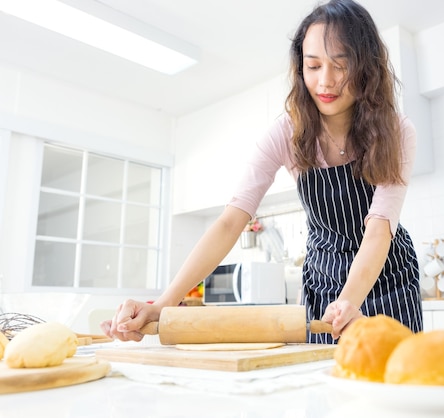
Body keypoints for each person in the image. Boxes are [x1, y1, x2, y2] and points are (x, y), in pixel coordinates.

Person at [102, 0, 422, 344]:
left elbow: (377, 233)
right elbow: (230, 221)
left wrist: (348, 303)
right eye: (313, 66)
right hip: (323, 282)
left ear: (365, 69)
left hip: (387, 279)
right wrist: (164, 304)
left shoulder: (395, 132)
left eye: (340, 66)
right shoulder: (287, 133)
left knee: (400, 377)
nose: (325, 81)